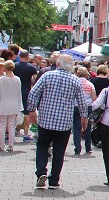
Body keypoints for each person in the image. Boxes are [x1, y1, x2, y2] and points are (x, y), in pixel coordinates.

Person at [27, 54, 88, 190]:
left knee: (42, 146)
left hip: (46, 120)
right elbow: (82, 102)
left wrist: (31, 110)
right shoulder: (75, 80)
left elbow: (33, 93)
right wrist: (84, 117)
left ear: (58, 64)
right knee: (59, 151)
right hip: (64, 122)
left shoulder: (47, 76)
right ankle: (54, 180)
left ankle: (41, 172)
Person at [0, 60, 23, 152]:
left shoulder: (2, 79)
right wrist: (20, 106)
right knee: (11, 126)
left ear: (5, 68)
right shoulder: (17, 79)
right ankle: (11, 145)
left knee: (2, 126)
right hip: (14, 104)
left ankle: (1, 145)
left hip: (3, 103)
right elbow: (19, 94)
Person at [13, 51, 38, 142]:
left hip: (15, 90)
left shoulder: (14, 65)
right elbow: (35, 79)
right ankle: (26, 134)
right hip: (26, 91)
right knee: (26, 112)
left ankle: (11, 131)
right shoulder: (32, 67)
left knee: (14, 111)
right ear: (27, 56)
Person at [72, 67, 95, 156]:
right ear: (86, 75)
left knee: (76, 128)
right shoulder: (90, 84)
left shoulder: (74, 83)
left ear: (77, 74)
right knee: (87, 127)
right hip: (88, 106)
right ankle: (88, 148)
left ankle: (77, 148)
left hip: (76, 106)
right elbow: (93, 98)